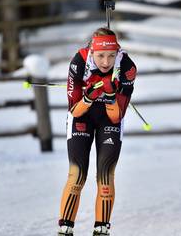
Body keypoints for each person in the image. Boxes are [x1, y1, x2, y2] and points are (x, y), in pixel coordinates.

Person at [57, 27, 137, 236]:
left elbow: (116, 116)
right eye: (100, 55)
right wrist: (89, 97)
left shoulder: (127, 67)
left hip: (108, 119)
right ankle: (65, 229)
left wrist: (110, 96)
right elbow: (74, 109)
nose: (105, 62)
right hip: (82, 116)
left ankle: (101, 230)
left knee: (105, 174)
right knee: (77, 174)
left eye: (111, 56)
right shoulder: (79, 63)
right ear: (92, 51)